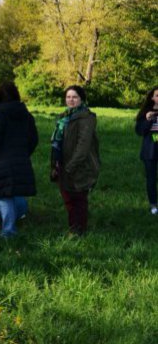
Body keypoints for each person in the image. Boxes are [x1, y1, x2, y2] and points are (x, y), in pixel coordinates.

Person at [0, 81, 38, 238]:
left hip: (2, 159)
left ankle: (8, 230)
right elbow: (34, 138)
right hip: (20, 157)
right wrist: (24, 153)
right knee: (11, 193)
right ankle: (11, 226)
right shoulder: (26, 115)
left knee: (5, 195)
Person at [51, 85, 100, 235]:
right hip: (63, 163)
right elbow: (57, 143)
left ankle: (78, 230)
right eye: (68, 97)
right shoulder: (64, 117)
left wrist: (70, 166)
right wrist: (55, 164)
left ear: (81, 99)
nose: (71, 100)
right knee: (68, 197)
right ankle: (73, 228)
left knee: (78, 198)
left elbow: (83, 146)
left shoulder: (87, 118)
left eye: (74, 97)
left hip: (80, 165)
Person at [134, 86, 158, 215]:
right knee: (151, 179)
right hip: (150, 151)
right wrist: (148, 119)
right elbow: (140, 131)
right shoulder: (146, 112)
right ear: (152, 98)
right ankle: (153, 205)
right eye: (157, 95)